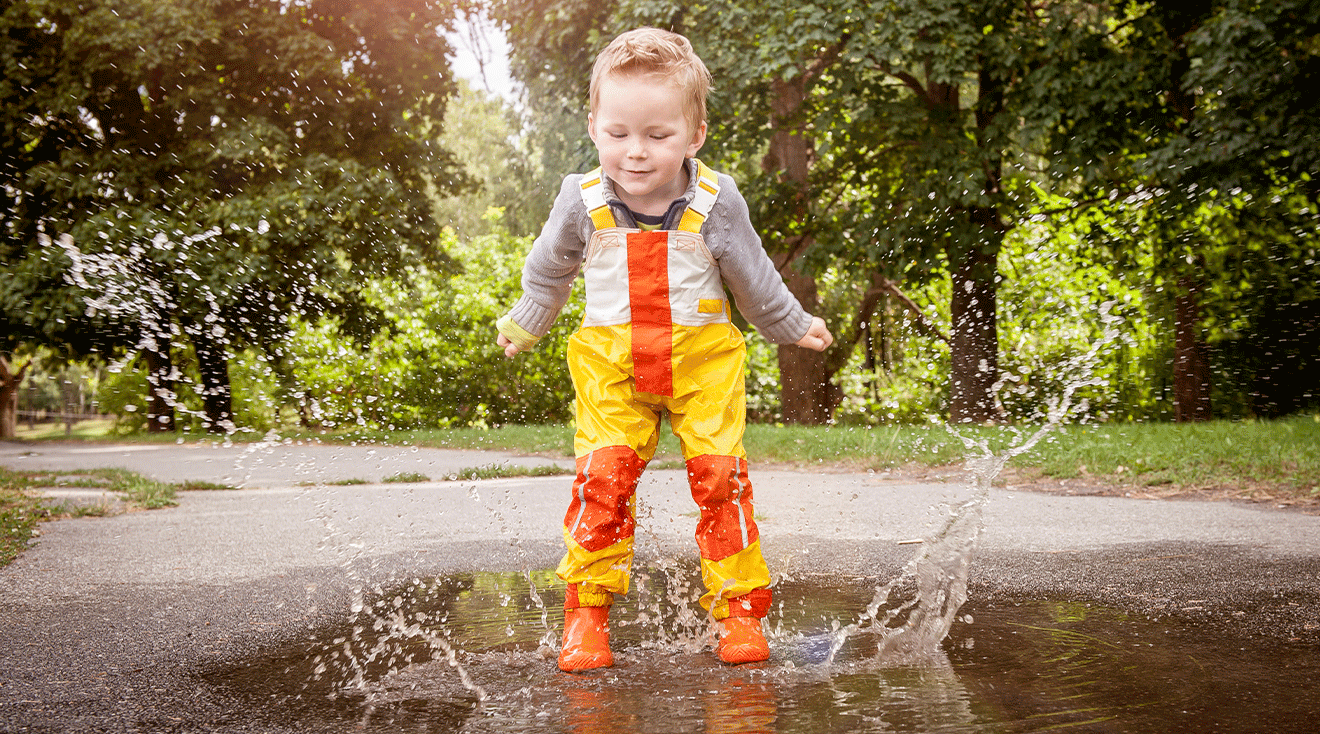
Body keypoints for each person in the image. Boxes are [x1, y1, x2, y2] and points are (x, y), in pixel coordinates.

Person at [495, 27, 833, 672]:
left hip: (703, 365)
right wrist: (528, 321)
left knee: (720, 481)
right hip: (611, 369)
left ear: (695, 134)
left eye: (659, 136)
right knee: (603, 482)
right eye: (619, 133)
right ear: (594, 125)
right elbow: (548, 270)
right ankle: (586, 617)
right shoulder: (580, 199)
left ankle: (739, 613)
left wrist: (790, 323)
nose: (637, 154)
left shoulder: (716, 200)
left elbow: (753, 277)